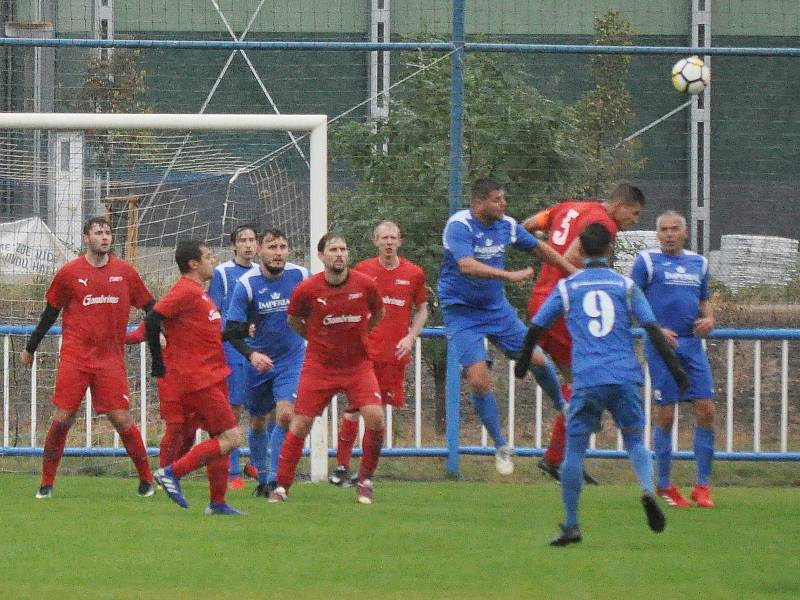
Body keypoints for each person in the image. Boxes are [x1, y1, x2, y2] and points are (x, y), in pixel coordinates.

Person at [516, 223, 688, 546]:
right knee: (635, 441)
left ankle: (571, 525)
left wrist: (524, 363)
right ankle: (648, 491)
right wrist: (677, 371)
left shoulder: (569, 288)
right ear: (610, 250)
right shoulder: (624, 286)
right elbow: (652, 328)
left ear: (579, 250)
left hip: (588, 378)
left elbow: (536, 327)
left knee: (575, 451)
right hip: (624, 376)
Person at [439, 177, 576, 476]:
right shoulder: (459, 226)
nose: (504, 204)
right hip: (461, 312)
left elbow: (541, 249)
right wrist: (508, 276)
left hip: (496, 310)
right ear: (478, 203)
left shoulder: (508, 225)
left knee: (537, 359)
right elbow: (466, 265)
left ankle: (562, 406)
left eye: (504, 198)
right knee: (478, 380)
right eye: (497, 200)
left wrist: (571, 272)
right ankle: (501, 445)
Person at [21, 216, 155, 500]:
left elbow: (150, 306)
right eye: (98, 232)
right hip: (75, 357)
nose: (105, 237)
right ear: (86, 238)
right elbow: (50, 313)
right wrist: (31, 347)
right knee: (63, 417)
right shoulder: (69, 272)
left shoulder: (125, 272)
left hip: (110, 359)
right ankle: (46, 483)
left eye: (108, 233)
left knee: (121, 418)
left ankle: (146, 480)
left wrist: (162, 330)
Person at [523, 183, 645, 484]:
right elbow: (575, 257)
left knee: (575, 381)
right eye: (635, 213)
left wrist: (545, 246)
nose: (635, 220)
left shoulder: (567, 206)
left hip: (541, 299)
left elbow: (526, 227)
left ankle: (559, 457)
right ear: (619, 205)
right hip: (565, 307)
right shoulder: (604, 224)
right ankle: (558, 459)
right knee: (584, 384)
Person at [268, 233, 385, 505]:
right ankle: (282, 486)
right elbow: (293, 320)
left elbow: (378, 314)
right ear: (321, 256)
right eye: (333, 249)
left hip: (357, 365)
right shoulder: (307, 289)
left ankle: (365, 479)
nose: (339, 254)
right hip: (319, 366)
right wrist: (315, 338)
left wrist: (361, 336)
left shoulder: (365, 285)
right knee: (300, 424)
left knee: (375, 417)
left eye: (343, 249)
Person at [147, 239, 244, 515]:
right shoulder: (185, 291)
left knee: (219, 437)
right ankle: (172, 472)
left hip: (213, 374)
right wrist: (157, 362)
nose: (213, 260)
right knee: (232, 438)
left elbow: (200, 334)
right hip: (198, 378)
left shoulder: (199, 293)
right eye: (208, 256)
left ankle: (218, 502)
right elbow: (153, 319)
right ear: (194, 264)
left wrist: (236, 333)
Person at [329, 221, 428, 486]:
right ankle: (341, 466)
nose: (388, 242)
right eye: (384, 238)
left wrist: (411, 336)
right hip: (363, 353)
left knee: (377, 416)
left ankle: (363, 474)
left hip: (393, 354)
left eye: (393, 238)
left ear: (400, 241)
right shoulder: (362, 270)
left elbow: (423, 308)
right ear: (375, 241)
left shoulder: (414, 273)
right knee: (353, 408)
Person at [631, 211, 716, 509]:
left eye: (674, 229)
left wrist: (709, 319)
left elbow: (704, 300)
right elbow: (632, 298)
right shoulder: (647, 262)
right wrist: (654, 327)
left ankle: (702, 486)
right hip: (662, 347)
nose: (669, 234)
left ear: (685, 232)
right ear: (658, 234)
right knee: (665, 414)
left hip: (692, 346)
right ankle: (664, 484)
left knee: (706, 410)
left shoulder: (699, 263)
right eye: (663, 229)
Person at [224, 229, 308, 498]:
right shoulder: (247, 284)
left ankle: (274, 478)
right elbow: (231, 332)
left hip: (291, 357)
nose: (278, 252)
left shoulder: (301, 275)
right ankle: (261, 476)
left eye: (283, 246)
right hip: (258, 363)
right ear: (261, 250)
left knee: (285, 414)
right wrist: (251, 355)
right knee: (258, 422)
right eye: (273, 246)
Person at [208, 224, 259, 489]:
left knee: (267, 410)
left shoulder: (264, 273)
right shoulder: (222, 273)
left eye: (252, 240)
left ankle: (259, 465)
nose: (249, 244)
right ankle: (233, 472)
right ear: (234, 246)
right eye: (243, 240)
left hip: (261, 348)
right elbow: (214, 312)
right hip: (234, 350)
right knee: (233, 410)